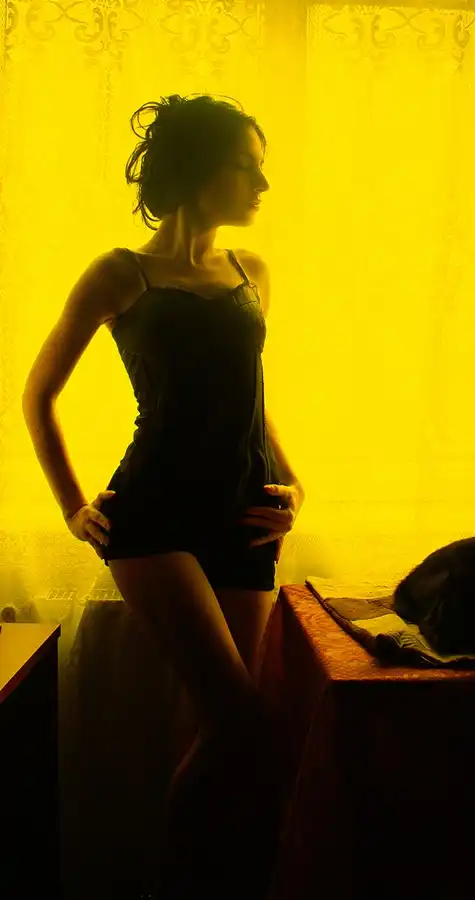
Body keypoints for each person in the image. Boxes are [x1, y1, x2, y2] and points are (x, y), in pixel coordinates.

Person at [22, 92, 305, 897]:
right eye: (246, 166)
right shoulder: (122, 273)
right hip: (152, 515)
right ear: (197, 169)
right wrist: (72, 507)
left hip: (245, 514)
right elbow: (39, 394)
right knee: (245, 727)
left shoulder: (253, 272)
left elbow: (250, 395)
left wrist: (293, 481)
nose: (262, 184)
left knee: (217, 732)